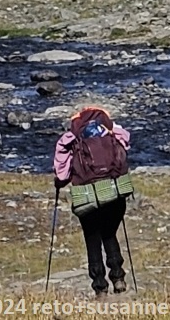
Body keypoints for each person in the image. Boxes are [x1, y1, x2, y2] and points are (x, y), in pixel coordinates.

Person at [53, 106, 132, 297]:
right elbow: (126, 142)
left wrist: (60, 182)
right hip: (113, 191)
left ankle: (100, 286)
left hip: (87, 194)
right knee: (109, 233)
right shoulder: (111, 131)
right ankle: (118, 277)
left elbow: (62, 173)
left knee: (92, 238)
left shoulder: (71, 138)